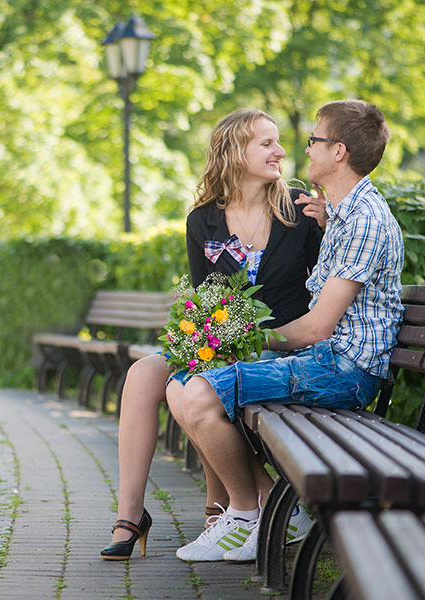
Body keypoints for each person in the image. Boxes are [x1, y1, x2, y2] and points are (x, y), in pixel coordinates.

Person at [166, 99, 404, 562]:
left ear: (337, 151)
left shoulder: (366, 220)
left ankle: (245, 513)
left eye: (313, 140)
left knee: (195, 395)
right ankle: (273, 505)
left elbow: (317, 328)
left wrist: (244, 337)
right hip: (326, 359)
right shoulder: (342, 214)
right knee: (182, 386)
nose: (303, 149)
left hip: (344, 369)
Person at [100, 108, 326, 561]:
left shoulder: (301, 210)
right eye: (266, 143)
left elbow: (325, 292)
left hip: (281, 347)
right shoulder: (202, 220)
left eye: (279, 142)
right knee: (145, 374)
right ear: (233, 151)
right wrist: (209, 340)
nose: (281, 151)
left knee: (200, 378)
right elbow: (206, 302)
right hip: (225, 340)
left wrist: (328, 224)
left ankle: (233, 505)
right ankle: (130, 515)